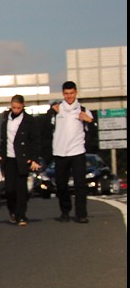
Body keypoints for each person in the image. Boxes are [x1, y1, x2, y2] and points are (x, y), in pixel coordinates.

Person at [46, 80, 97, 224]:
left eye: (72, 93)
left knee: (80, 184)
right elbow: (45, 130)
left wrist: (89, 121)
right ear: (63, 94)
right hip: (60, 152)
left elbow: (93, 133)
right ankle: (65, 212)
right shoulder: (56, 110)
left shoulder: (83, 109)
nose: (69, 96)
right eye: (66, 94)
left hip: (78, 152)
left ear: (76, 93)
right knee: (61, 185)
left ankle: (81, 214)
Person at [0, 94, 43, 226]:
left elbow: (35, 140)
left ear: (23, 106)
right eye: (14, 107)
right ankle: (13, 211)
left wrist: (34, 159)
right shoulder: (3, 118)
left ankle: (21, 215)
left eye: (19, 108)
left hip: (23, 159)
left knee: (21, 189)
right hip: (7, 158)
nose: (16, 110)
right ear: (11, 105)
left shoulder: (29, 121)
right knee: (9, 189)